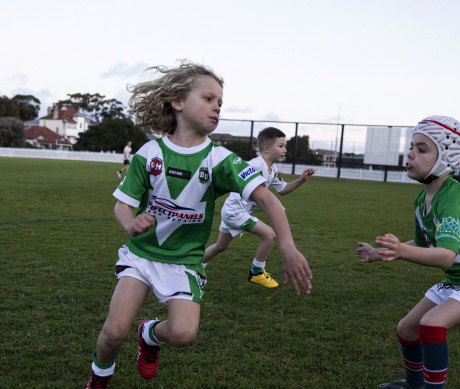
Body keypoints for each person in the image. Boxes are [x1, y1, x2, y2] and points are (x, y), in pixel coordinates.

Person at [86, 61, 313, 389]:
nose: (217, 107)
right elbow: (122, 204)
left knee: (182, 334)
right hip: (142, 254)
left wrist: (288, 246)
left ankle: (149, 334)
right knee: (114, 331)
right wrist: (130, 222)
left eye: (220, 102)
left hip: (184, 261)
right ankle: (99, 376)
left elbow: (269, 200)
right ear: (178, 101)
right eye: (208, 99)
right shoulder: (149, 153)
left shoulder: (222, 159)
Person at [355, 116, 460, 389]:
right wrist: (379, 254)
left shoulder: (452, 199)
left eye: (422, 149)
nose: (410, 154)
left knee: (431, 324)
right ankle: (414, 384)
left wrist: (402, 251)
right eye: (412, 146)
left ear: (446, 157)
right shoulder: (423, 199)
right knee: (407, 329)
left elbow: (444, 256)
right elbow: (424, 244)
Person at [203, 127, 315, 288]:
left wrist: (302, 180)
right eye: (281, 146)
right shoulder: (253, 166)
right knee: (270, 234)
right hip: (235, 212)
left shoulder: (272, 169)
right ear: (267, 148)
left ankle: (195, 267)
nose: (285, 150)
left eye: (285, 146)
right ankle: (257, 272)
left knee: (221, 246)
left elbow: (282, 190)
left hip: (234, 211)